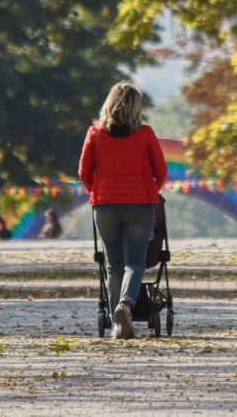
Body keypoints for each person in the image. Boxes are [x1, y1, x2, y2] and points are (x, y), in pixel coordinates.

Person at [79, 82, 167, 340]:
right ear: (136, 108)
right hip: (140, 204)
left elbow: (84, 172)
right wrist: (151, 191)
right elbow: (160, 172)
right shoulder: (146, 134)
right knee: (134, 261)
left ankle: (116, 323)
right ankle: (125, 306)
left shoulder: (94, 133)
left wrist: (97, 191)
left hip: (105, 205)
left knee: (113, 263)